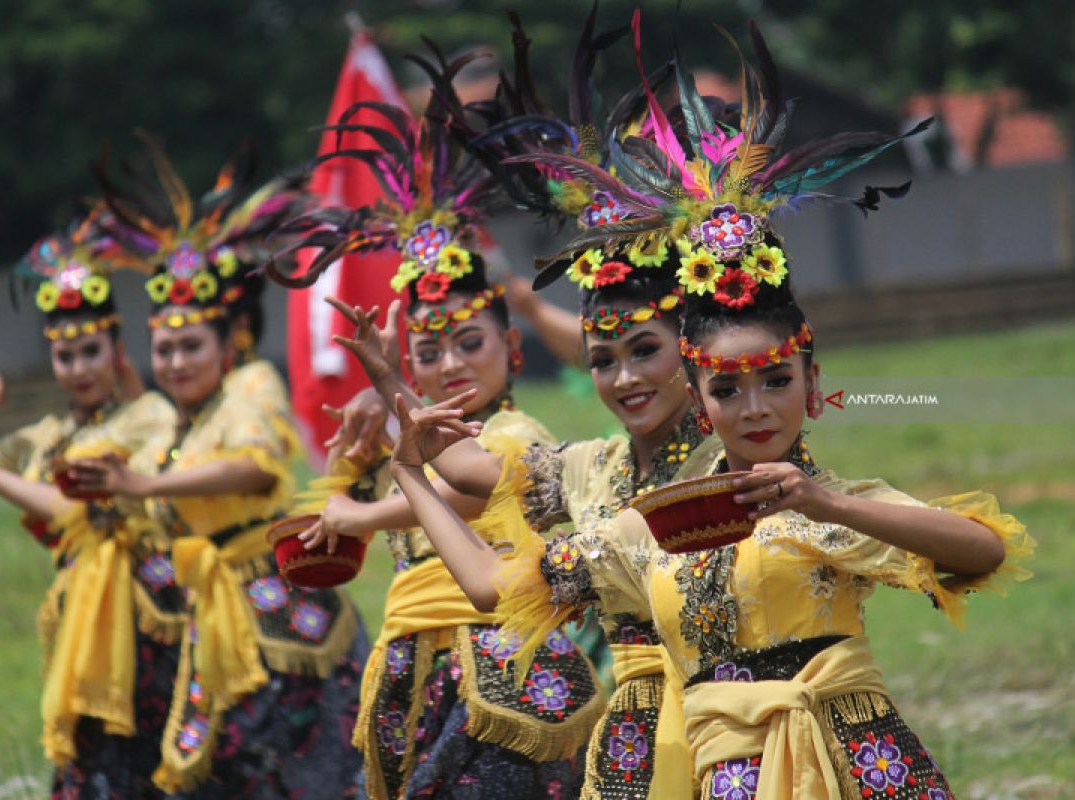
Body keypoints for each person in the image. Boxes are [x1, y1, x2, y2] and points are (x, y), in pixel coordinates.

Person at [366, 13, 1032, 800]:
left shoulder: (824, 507)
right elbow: (495, 584)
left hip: (853, 767)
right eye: (726, 387)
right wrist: (405, 464)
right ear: (702, 396)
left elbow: (981, 550)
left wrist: (825, 502)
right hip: (712, 768)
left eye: (774, 382)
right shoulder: (647, 527)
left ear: (812, 389)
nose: (752, 407)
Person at [270, 57, 606, 799]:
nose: (450, 362)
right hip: (409, 675)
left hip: (504, 674)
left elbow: (470, 491)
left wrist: (360, 511)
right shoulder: (405, 442)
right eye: (428, 349)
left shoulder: (516, 430)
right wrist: (351, 451)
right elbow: (326, 524)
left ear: (510, 348)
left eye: (469, 342)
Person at [67, 135, 368, 798]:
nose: (175, 362)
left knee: (277, 761)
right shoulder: (174, 419)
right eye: (164, 348)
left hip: (272, 604)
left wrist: (144, 483)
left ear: (230, 339)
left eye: (189, 346)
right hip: (207, 609)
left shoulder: (251, 386)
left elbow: (254, 469)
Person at [0, 215, 182, 797]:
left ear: (116, 350)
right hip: (80, 613)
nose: (79, 369)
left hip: (149, 612)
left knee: (152, 754)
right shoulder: (45, 435)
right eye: (65, 356)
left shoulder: (146, 417)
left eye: (90, 351)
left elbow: (68, 508)